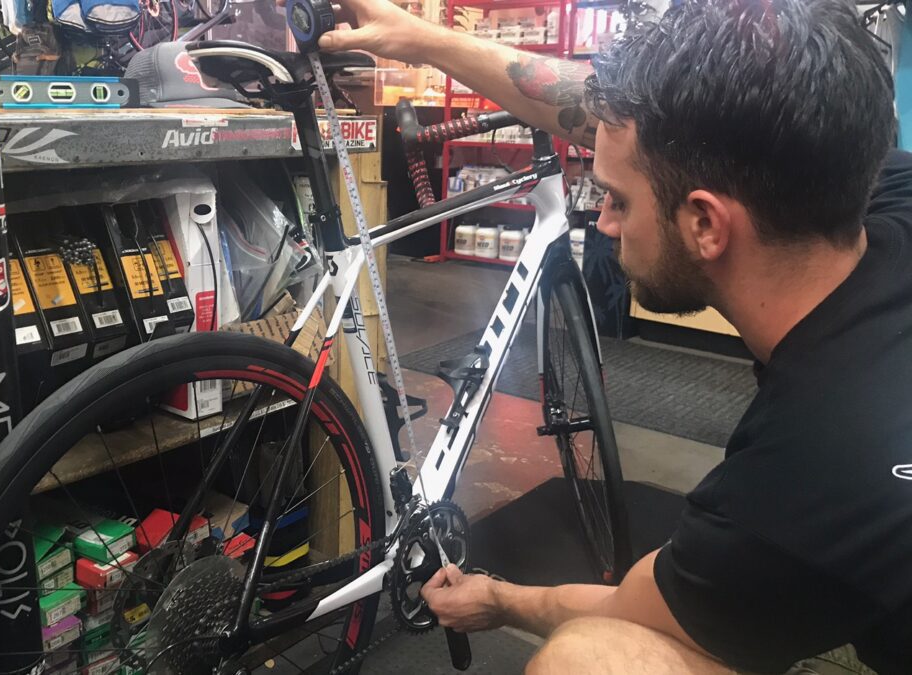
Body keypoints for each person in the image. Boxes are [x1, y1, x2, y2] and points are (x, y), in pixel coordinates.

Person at [309, 0, 912, 672]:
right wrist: (425, 39)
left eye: (617, 200)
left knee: (587, 659)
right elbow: (590, 110)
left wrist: (500, 599)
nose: (602, 224)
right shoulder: (866, 182)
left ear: (706, 224)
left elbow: (630, 605)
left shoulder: (807, 480)